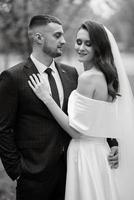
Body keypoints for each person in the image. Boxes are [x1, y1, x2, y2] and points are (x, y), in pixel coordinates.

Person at [0, 15, 118, 200]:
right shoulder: (13, 77)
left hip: (72, 170)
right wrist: (17, 170)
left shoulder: (72, 74)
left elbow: (88, 116)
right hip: (34, 177)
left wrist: (111, 143)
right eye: (57, 35)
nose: (64, 41)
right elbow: (3, 129)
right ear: (38, 38)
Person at [28, 20, 134, 200]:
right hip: (100, 151)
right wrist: (113, 143)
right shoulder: (107, 77)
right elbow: (103, 121)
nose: (81, 47)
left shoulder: (88, 78)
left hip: (85, 155)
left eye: (88, 43)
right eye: (78, 42)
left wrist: (47, 98)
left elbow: (76, 132)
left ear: (99, 47)